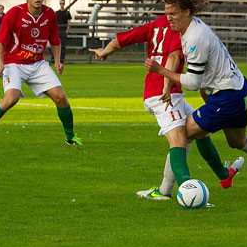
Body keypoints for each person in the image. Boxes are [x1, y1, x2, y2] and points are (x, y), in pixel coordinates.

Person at [145, 0, 247, 187]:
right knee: (237, 142)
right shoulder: (192, 28)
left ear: (187, 11)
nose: (168, 19)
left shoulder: (196, 37)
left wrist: (162, 71)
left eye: (173, 14)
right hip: (241, 89)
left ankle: (167, 190)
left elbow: (192, 83)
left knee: (181, 135)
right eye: (167, 14)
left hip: (228, 97)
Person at [90, 12, 212, 200]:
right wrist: (166, 86)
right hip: (163, 93)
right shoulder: (177, 26)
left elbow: (123, 39)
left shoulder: (154, 24)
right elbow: (173, 56)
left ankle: (221, 175)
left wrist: (104, 52)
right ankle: (187, 195)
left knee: (200, 129)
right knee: (179, 140)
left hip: (163, 91)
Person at [0, 0, 82, 147]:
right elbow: (0, 42)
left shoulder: (50, 14)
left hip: (38, 64)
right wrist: (1, 64)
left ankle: (71, 137)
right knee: (11, 98)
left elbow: (55, 41)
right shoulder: (14, 13)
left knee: (61, 97)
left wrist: (57, 61)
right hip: (14, 63)